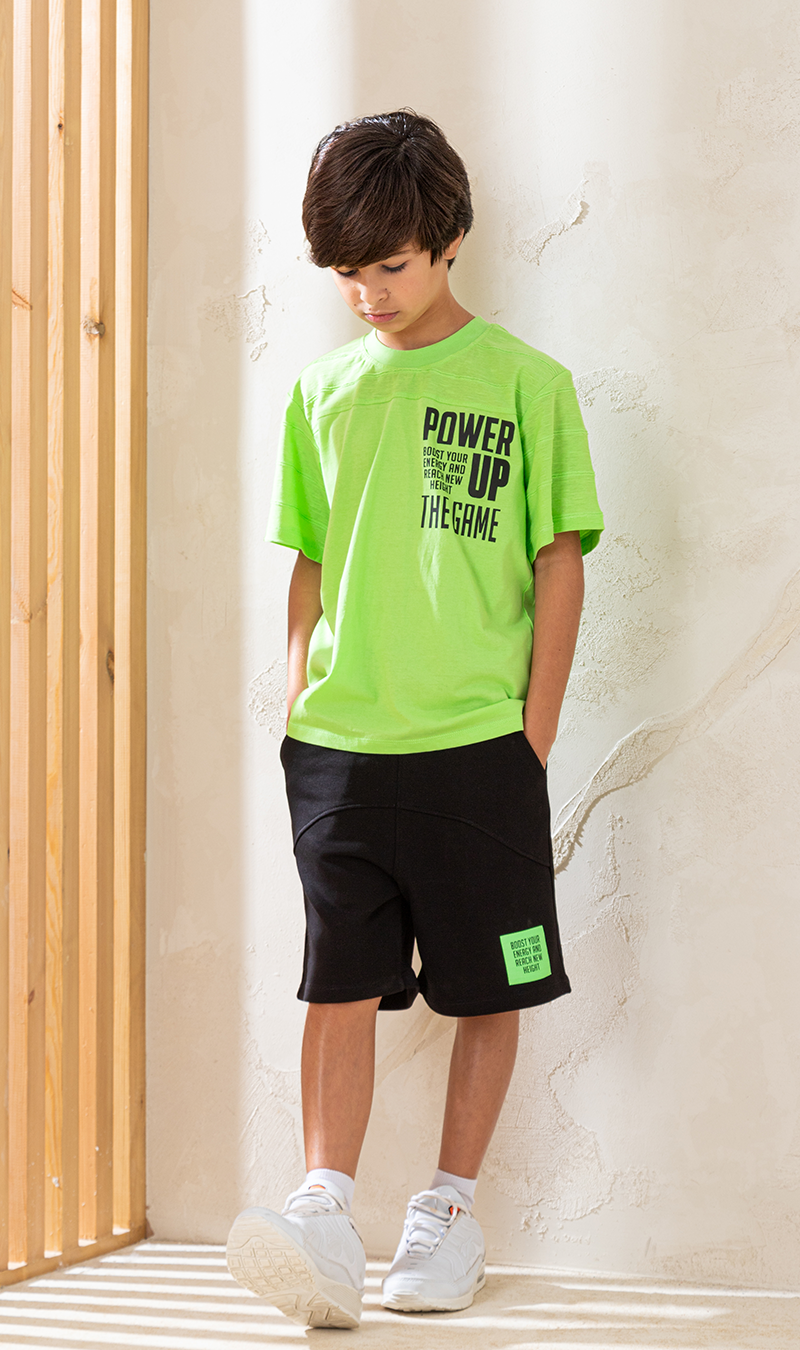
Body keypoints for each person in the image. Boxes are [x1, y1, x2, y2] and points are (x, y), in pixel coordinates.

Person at [225, 109, 604, 1328]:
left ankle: (447, 1214)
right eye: (346, 273)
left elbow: (558, 559)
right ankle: (324, 1214)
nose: (368, 295)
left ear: (448, 241)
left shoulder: (529, 386)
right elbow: (309, 563)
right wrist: (299, 698)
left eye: (388, 266)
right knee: (335, 979)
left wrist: (534, 730)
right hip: (340, 751)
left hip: (480, 749)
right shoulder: (322, 393)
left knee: (489, 987)